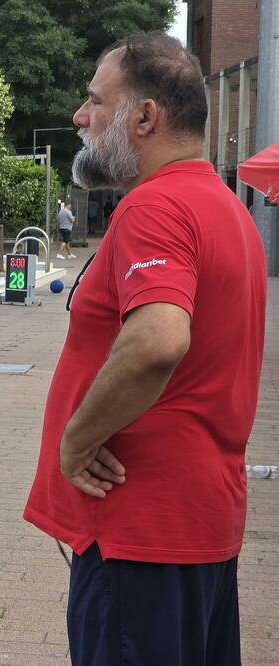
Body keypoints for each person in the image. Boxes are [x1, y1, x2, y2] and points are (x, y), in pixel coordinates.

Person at [23, 33, 266, 666]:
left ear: (145, 117)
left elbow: (158, 339)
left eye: (95, 102)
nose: (80, 117)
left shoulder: (154, 207)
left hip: (140, 535)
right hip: (199, 530)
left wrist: (74, 442)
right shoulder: (227, 211)